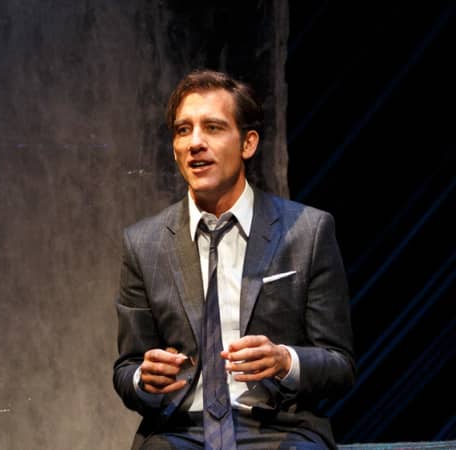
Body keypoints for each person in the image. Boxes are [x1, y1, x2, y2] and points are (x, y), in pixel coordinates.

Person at [112, 69, 355, 450]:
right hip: (181, 432)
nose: (195, 143)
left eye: (212, 128)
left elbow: (340, 365)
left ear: (248, 143)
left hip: (278, 428)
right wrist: (145, 378)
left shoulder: (308, 231)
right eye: (182, 130)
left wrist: (285, 360)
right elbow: (126, 370)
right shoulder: (144, 243)